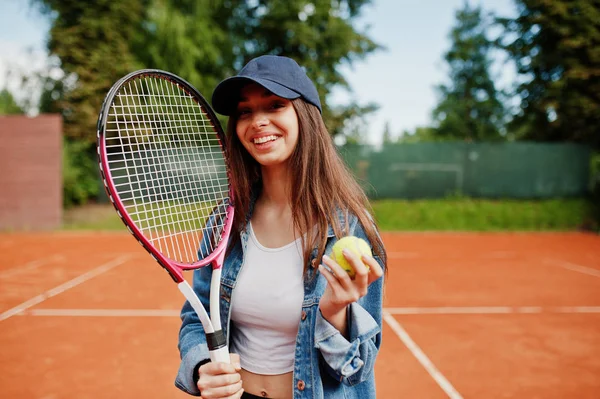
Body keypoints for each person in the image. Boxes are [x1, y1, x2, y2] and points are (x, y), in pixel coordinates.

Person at [175, 55, 387, 399]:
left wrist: (334, 314)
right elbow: (197, 319)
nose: (258, 121)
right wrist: (202, 367)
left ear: (304, 116)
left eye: (275, 105)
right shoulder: (224, 221)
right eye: (245, 111)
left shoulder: (349, 226)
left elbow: (357, 369)